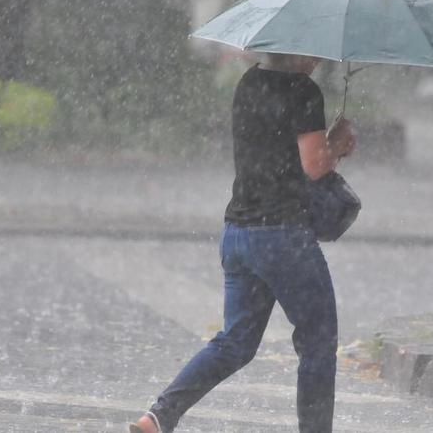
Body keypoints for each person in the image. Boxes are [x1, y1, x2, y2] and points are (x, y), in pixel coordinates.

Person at [129, 52, 356, 433]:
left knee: (234, 343)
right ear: (296, 50)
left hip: (238, 231)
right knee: (318, 343)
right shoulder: (303, 90)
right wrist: (338, 145)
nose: (318, 58)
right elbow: (313, 164)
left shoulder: (249, 82)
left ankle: (159, 415)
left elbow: (275, 149)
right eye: (313, 51)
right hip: (283, 236)